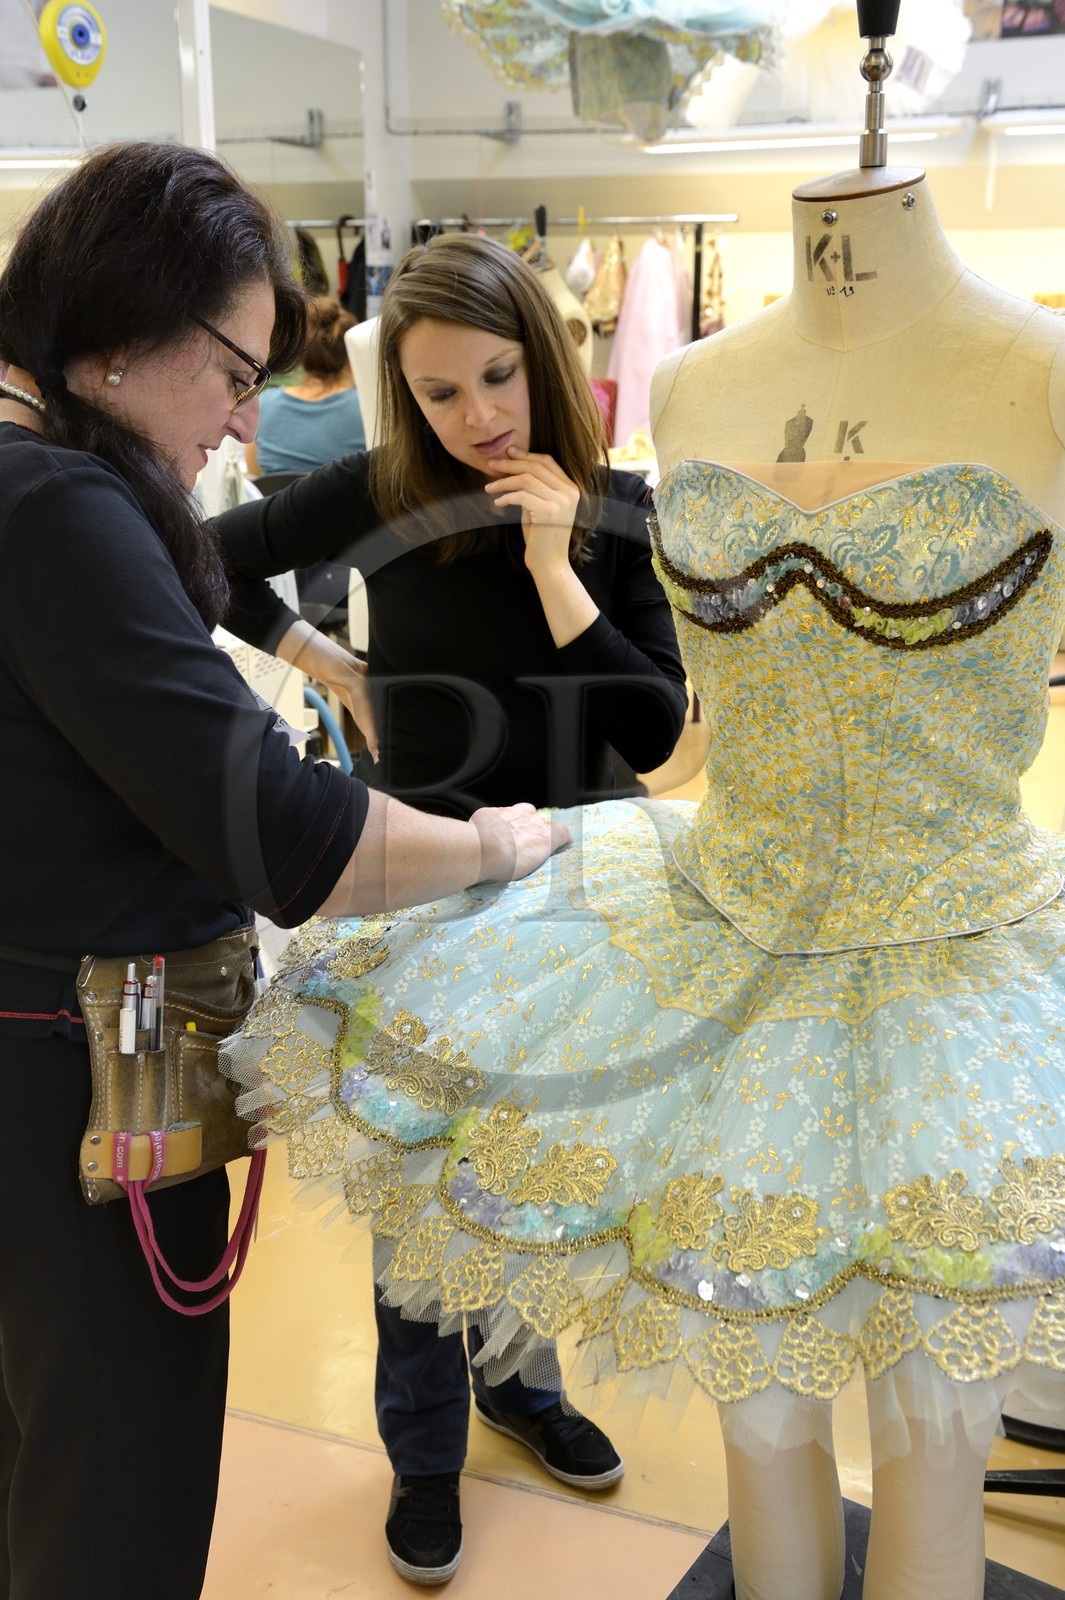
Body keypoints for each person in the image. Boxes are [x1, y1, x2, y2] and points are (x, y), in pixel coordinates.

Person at [0, 142, 565, 1600]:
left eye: (495, 380)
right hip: (83, 1079)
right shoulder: (58, 507)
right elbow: (292, 835)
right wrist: (491, 841)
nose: (246, 414)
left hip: (60, 1052)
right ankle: (431, 1451)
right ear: (125, 339)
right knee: (114, 1493)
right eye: (233, 372)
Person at [215, 230, 689, 1584]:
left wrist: (553, 567)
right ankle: (425, 1454)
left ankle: (520, 1392)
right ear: (399, 398)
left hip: (572, 909)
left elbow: (654, 735)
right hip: (413, 892)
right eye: (440, 393)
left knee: (535, 1182)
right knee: (421, 1194)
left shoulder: (622, 508)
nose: (478, 417)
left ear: (542, 363)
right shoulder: (379, 493)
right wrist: (317, 658)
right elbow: (199, 553)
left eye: (499, 378)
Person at [245, 293, 365, 477]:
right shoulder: (364, 408)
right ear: (351, 359)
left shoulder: (264, 404)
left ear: (301, 357)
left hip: (275, 505)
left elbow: (255, 474)